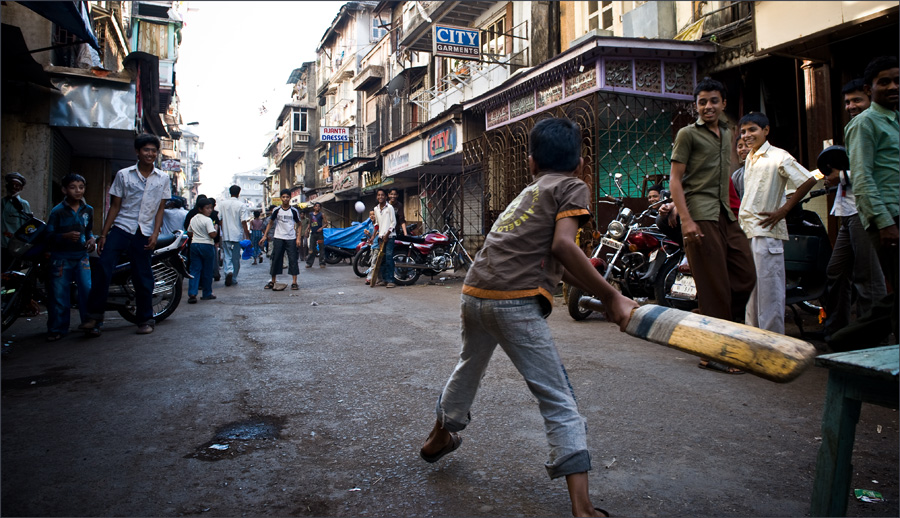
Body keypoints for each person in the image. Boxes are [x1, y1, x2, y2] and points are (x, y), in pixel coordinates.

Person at [419, 118, 637, 518]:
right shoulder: (572, 186)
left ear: (532, 162)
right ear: (582, 163)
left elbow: (560, 258)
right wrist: (613, 296)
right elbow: (564, 247)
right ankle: (583, 508)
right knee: (557, 397)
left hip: (475, 293)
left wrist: (600, 292)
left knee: (469, 368)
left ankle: (439, 436)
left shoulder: (530, 192)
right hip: (514, 301)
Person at [668, 77, 755, 374]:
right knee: (715, 286)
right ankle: (714, 353)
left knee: (745, 276)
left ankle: (707, 329)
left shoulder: (729, 133)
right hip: (700, 214)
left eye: (713, 101)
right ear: (696, 105)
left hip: (727, 213)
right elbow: (675, 180)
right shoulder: (687, 134)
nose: (708, 106)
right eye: (702, 102)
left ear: (723, 104)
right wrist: (686, 219)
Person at [832, 56, 900, 347]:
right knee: (870, 282)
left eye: (897, 80)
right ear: (871, 88)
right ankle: (853, 343)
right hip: (887, 217)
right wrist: (884, 223)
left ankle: (844, 341)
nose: (892, 86)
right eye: (884, 81)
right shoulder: (865, 123)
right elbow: (863, 177)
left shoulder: (894, 122)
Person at [81, 134, 171, 335]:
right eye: (146, 150)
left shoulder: (163, 178)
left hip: (145, 232)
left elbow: (160, 209)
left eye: (153, 150)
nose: (150, 153)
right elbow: (114, 206)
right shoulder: (124, 175)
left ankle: (145, 319)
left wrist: (155, 234)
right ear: (137, 152)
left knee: (143, 276)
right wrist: (103, 235)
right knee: (103, 268)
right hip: (121, 228)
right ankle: (94, 317)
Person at [738, 112, 817, 334]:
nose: (746, 135)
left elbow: (808, 179)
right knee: (752, 295)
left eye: (752, 129)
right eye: (743, 131)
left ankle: (772, 345)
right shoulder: (751, 158)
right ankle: (753, 341)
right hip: (749, 232)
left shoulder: (778, 156)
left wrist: (783, 210)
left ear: (766, 130)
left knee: (769, 296)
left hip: (767, 234)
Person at [821, 80, 886, 344]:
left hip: (866, 209)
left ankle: (874, 340)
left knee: (868, 278)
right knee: (836, 272)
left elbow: (876, 170)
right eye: (847, 102)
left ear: (870, 96)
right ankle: (839, 333)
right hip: (847, 211)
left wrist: (842, 176)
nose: (851, 106)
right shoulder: (855, 127)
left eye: (856, 100)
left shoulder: (876, 125)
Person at [45, 173, 95, 341]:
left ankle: (91, 324)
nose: (78, 191)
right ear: (64, 190)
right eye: (73, 187)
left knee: (87, 290)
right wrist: (64, 236)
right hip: (61, 258)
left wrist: (92, 240)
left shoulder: (88, 210)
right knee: (59, 293)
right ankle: (57, 328)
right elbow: (49, 235)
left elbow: (88, 231)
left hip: (82, 256)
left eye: (81, 187)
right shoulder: (57, 211)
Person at [260, 189, 301, 290]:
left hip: (291, 238)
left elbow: (299, 224)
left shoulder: (294, 211)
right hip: (278, 237)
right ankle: (273, 281)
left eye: (287, 197)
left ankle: (294, 282)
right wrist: (265, 236)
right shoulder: (277, 210)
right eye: (283, 197)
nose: (285, 199)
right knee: (276, 258)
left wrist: (298, 238)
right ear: (281, 198)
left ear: (290, 198)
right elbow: (270, 223)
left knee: (293, 259)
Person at [218, 185, 251, 286]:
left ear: (229, 192)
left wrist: (223, 229)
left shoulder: (222, 204)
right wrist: (247, 235)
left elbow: (219, 219)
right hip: (237, 236)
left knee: (227, 256)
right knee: (236, 258)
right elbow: (244, 221)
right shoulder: (241, 205)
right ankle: (234, 278)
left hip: (226, 235)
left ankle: (228, 271)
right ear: (239, 193)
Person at [186, 198, 218, 303]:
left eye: (211, 208)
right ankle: (207, 293)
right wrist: (216, 229)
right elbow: (212, 234)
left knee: (195, 269)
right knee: (207, 270)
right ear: (200, 209)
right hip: (207, 245)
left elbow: (189, 232)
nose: (210, 210)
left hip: (194, 244)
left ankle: (192, 293)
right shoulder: (207, 220)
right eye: (207, 208)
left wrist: (198, 233)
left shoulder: (193, 219)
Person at [2, 172, 32, 270]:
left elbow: (28, 226)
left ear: (21, 188)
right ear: (7, 186)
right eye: (12, 185)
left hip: (13, 248)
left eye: (17, 185)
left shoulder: (23, 204)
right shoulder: (2, 202)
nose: (14, 187)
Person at [371, 188, 396, 288]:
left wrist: (387, 234)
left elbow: (393, 223)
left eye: (382, 195)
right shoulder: (376, 209)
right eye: (378, 195)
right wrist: (373, 236)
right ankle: (383, 279)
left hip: (390, 237)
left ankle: (390, 280)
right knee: (381, 259)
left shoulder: (389, 207)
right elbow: (377, 224)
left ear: (386, 197)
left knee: (389, 258)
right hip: (381, 237)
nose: (380, 197)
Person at [305, 202, 328, 268]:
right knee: (311, 248)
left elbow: (326, 223)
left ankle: (322, 263)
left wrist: (321, 228)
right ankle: (309, 263)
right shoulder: (311, 214)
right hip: (313, 233)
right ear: (314, 207)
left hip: (319, 234)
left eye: (319, 206)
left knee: (321, 248)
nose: (317, 207)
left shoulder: (322, 214)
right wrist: (307, 230)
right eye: (316, 206)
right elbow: (310, 223)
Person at [208, 197, 222, 282]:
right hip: (211, 240)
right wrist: (217, 240)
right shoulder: (214, 214)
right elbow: (217, 228)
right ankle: (215, 273)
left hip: (198, 242)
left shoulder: (194, 215)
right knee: (214, 258)